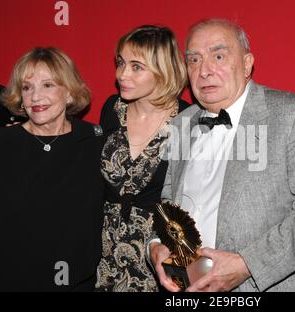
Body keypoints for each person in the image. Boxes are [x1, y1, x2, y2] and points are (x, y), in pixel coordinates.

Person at [149, 18, 295, 292]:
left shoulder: (293, 114)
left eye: (219, 56)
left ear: (247, 64)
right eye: (194, 60)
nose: (204, 71)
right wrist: (157, 246)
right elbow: (168, 202)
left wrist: (247, 264)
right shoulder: (181, 123)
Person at [0, 47, 104, 291]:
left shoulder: (95, 141)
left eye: (48, 85)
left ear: (70, 93)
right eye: (27, 87)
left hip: (77, 283)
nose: (35, 97)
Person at [95, 25, 188, 292]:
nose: (122, 74)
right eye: (121, 63)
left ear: (163, 69)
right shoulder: (111, 110)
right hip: (103, 251)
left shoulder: (188, 120)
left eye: (137, 66)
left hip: (157, 253)